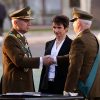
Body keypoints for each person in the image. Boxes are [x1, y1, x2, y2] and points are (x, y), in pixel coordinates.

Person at [1, 6, 54, 94]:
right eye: (26, 21)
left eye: (29, 21)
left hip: (23, 86)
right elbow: (19, 61)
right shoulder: (10, 39)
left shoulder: (20, 37)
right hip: (15, 88)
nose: (29, 24)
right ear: (15, 22)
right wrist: (42, 60)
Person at [64, 8, 100, 99]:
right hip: (95, 89)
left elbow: (75, 67)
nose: (73, 25)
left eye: (74, 22)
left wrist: (68, 89)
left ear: (78, 23)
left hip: (84, 90)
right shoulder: (93, 38)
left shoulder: (79, 40)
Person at [39, 15, 72, 94]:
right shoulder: (48, 44)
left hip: (62, 85)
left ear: (66, 28)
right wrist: (41, 87)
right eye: (54, 27)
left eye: (59, 27)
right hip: (46, 85)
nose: (56, 30)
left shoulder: (72, 44)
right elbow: (44, 68)